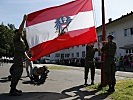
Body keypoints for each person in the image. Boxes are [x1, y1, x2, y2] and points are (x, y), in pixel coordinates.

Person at [9, 15, 30, 96]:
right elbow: (20, 29)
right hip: (17, 57)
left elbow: (24, 51)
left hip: (20, 58)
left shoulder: (21, 40)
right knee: (17, 73)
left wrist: (29, 58)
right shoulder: (16, 38)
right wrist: (24, 20)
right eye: (19, 32)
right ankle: (12, 90)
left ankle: (14, 88)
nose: (21, 32)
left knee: (19, 73)